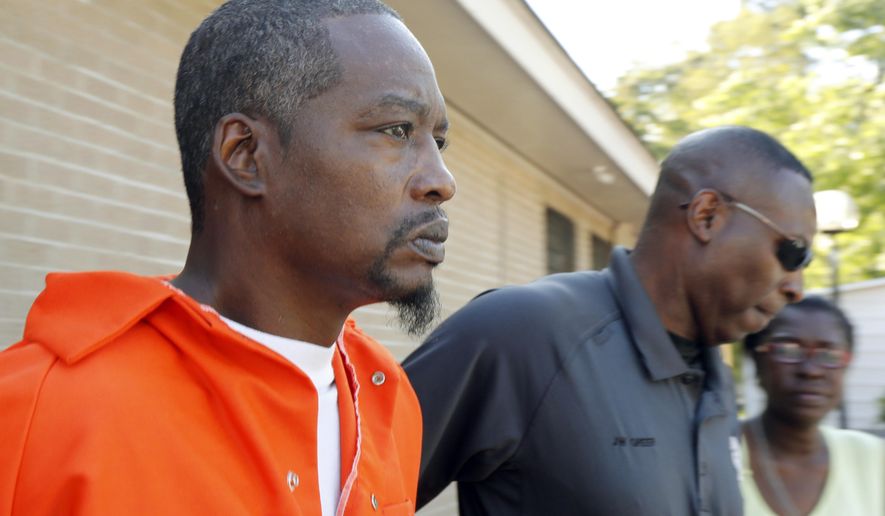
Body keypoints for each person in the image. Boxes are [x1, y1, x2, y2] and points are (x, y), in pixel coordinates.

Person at [0, 1, 456, 514]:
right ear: (245, 154)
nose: (442, 180)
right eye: (397, 130)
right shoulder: (41, 411)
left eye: (438, 141)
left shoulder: (387, 395)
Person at [404, 125, 817, 515]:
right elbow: (349, 485)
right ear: (707, 215)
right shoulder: (522, 333)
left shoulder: (716, 378)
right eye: (793, 253)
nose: (797, 286)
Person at [741, 295, 884, 516]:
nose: (811, 371)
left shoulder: (873, 459)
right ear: (756, 360)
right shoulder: (716, 455)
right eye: (788, 350)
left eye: (829, 354)